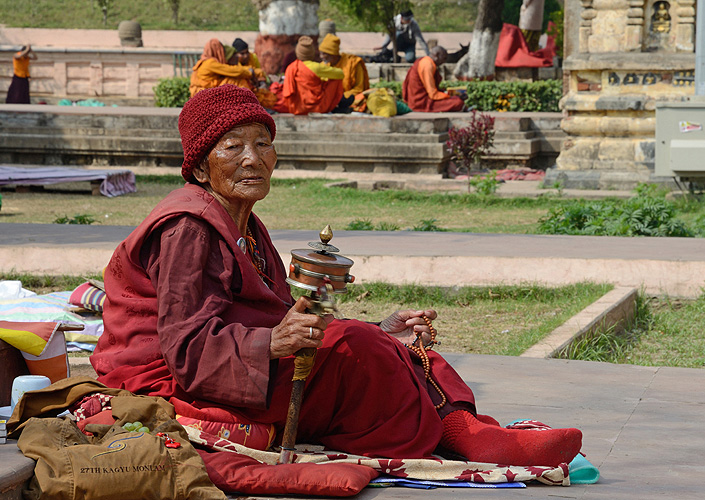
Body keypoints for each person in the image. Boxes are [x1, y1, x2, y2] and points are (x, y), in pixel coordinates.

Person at [91, 84, 583, 467]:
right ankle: (459, 440)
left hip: (237, 364)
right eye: (232, 146)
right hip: (170, 381)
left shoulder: (246, 223)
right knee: (353, 348)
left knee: (392, 344)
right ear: (200, 168)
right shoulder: (187, 230)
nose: (252, 158)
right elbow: (187, 351)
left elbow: (281, 314)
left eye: (263, 143)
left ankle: (467, 430)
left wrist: (380, 328)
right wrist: (273, 344)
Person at [283, 36, 347, 115]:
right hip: (316, 107)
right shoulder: (316, 67)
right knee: (336, 80)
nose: (322, 57)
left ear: (298, 52)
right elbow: (340, 73)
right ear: (312, 52)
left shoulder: (291, 67)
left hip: (296, 107)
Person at [403, 46, 465, 112]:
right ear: (437, 55)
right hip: (421, 103)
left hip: (419, 101)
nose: (444, 61)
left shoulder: (426, 61)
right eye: (444, 58)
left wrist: (450, 93)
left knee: (456, 99)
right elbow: (433, 94)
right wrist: (450, 96)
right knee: (458, 102)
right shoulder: (428, 65)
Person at [189, 39, 254, 98]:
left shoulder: (205, 61)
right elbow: (233, 71)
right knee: (234, 81)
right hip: (204, 93)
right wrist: (250, 72)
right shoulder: (210, 63)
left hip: (203, 92)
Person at [318, 34, 370, 100]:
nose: (321, 57)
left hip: (349, 99)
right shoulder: (323, 65)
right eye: (320, 53)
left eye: (324, 54)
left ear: (333, 54)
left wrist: (339, 97)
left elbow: (359, 89)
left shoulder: (353, 63)